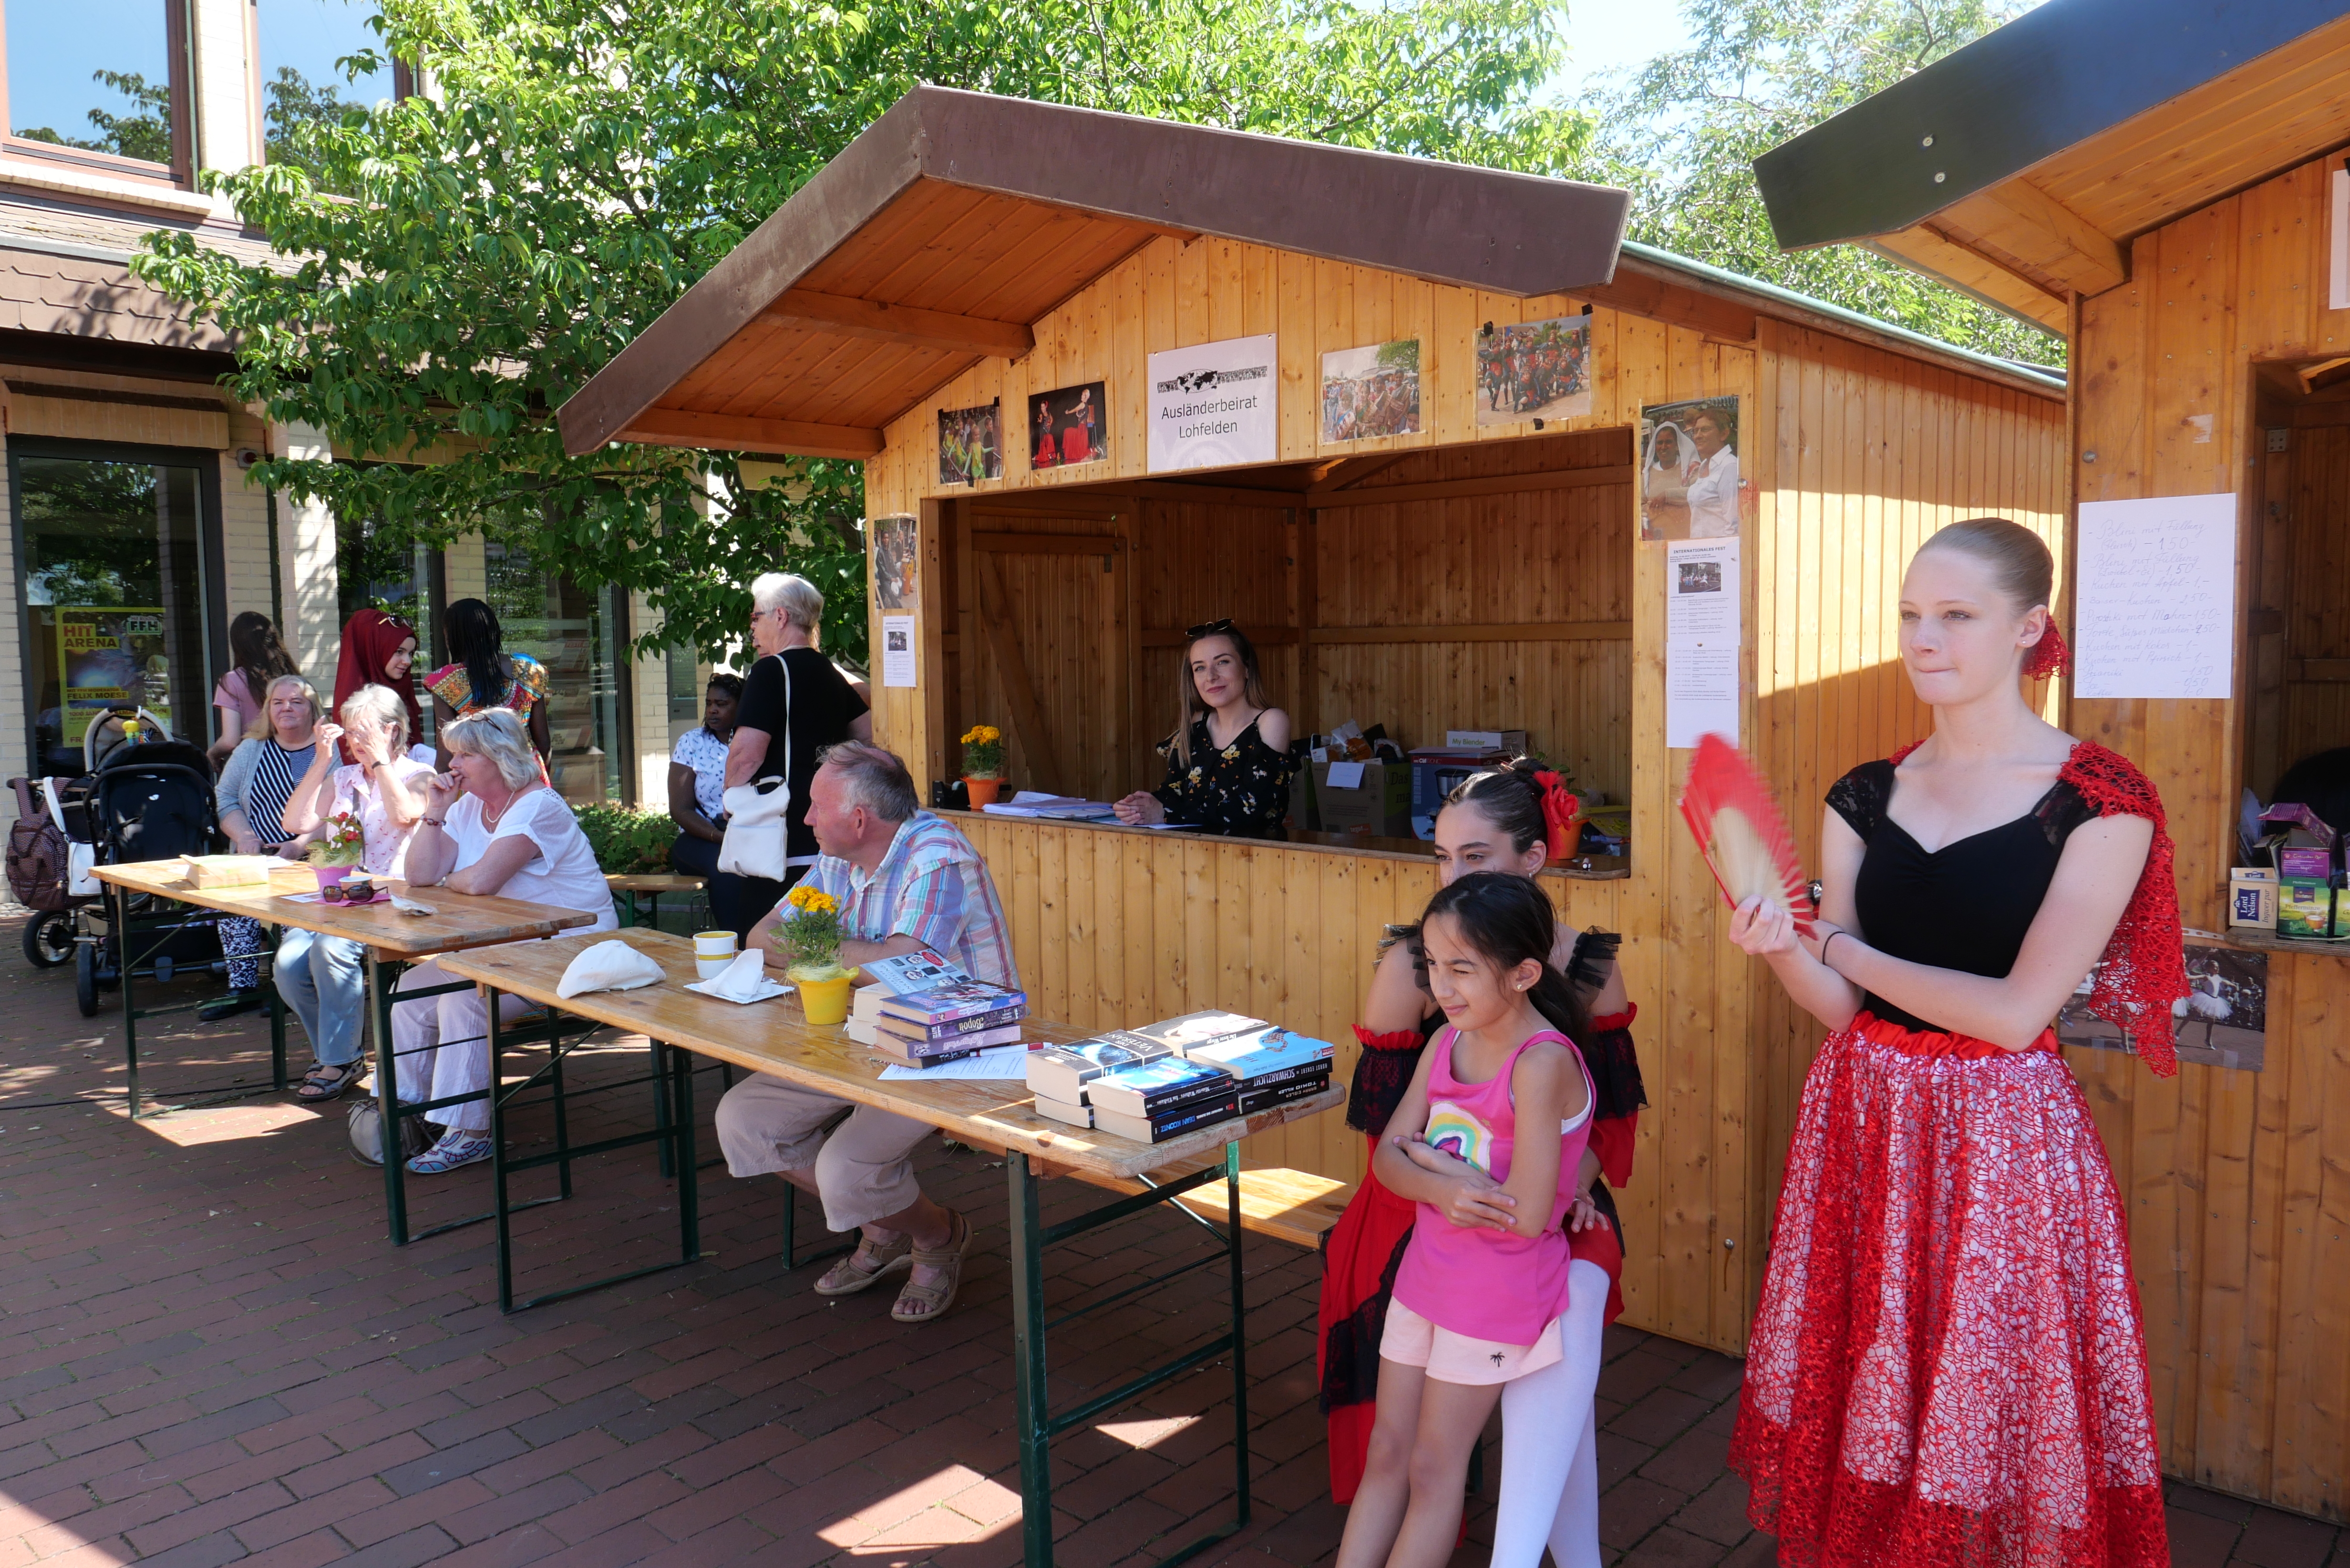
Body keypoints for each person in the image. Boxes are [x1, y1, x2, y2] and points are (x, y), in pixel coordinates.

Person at [1723, 519, 2182, 1566]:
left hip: (2001, 1141)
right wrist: (1783, 945)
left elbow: (2017, 1013)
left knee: (1990, 1405)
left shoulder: (2101, 801)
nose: (1922, 638)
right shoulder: (1864, 792)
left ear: (2028, 628)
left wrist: (1830, 938)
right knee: (1876, 1386)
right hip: (1862, 1120)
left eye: (1955, 615)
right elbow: (1842, 1005)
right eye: (1909, 615)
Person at [1319, 761, 1640, 1568]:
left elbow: (1602, 1129)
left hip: (1509, 1241)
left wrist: (1565, 1186)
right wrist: (1440, 1178)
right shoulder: (1429, 991)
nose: (1451, 876)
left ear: (1532, 858)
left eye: (1474, 856)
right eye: (1441, 857)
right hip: (1425, 1227)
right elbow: (1387, 1144)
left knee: (1447, 1454)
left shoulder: (1570, 999)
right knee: (1396, 1449)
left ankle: (1550, 1535)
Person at [1333, 873, 1594, 1568]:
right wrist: (1445, 1184)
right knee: (1386, 1450)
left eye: (1462, 969)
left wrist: (1428, 1165)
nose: (1441, 987)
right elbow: (1385, 1160)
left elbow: (1527, 1215)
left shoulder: (1540, 1064)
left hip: (1492, 1298)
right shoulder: (1447, 1041)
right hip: (1426, 1277)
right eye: (1432, 964)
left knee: (1432, 1467)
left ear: (1524, 974)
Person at [714, 743, 1015, 1325]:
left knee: (845, 1171)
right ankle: (883, 1224)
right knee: (745, 1122)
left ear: (858, 820)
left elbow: (900, 966)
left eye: (815, 806)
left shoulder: (936, 856)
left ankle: (936, 1235)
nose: (805, 818)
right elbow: (761, 936)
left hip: (955, 1043)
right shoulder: (839, 857)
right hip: (860, 1031)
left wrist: (825, 951)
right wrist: (856, 956)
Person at [390, 707, 618, 1174]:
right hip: (508, 946)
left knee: (466, 1001)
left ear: (500, 758)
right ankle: (407, 1112)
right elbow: (420, 876)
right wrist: (435, 813)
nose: (452, 765)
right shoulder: (468, 806)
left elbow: (481, 882)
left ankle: (470, 1133)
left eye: (465, 755)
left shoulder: (538, 805)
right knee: (409, 992)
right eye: (453, 754)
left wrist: (455, 878)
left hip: (574, 949)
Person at [274, 684, 435, 1101]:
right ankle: (338, 1051)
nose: (355, 741)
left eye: (364, 732)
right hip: (340, 899)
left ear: (393, 730)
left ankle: (339, 1060)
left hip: (394, 899)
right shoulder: (343, 778)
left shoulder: (420, 775)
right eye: (350, 732)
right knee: (288, 964)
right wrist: (321, 759)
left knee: (330, 949)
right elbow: (295, 822)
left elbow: (405, 816)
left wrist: (380, 762)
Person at [720, 573, 871, 942]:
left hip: (778, 843)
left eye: (756, 617)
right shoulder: (832, 673)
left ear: (781, 616)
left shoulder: (771, 670)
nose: (752, 629)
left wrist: (729, 800)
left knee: (761, 945)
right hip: (827, 843)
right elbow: (867, 739)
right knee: (820, 947)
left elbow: (745, 756)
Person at [202, 674, 324, 1021]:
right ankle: (242, 989)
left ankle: (290, 988)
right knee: (234, 908)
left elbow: (339, 811)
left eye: (296, 702)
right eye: (278, 702)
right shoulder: (250, 749)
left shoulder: (325, 753)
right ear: (268, 710)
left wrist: (298, 845)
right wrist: (244, 837)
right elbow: (225, 798)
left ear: (312, 709)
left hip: (306, 861)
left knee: (292, 917)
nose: (286, 708)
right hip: (253, 860)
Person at [1113, 620, 1295, 837]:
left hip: (1255, 853)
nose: (1211, 677)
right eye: (1200, 668)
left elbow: (1248, 809)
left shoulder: (1271, 722)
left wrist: (1165, 812)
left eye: (1223, 662)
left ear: (1247, 669)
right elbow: (1174, 793)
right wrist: (1140, 807)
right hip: (1191, 850)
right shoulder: (1197, 723)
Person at [424, 598, 552, 762]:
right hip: (526, 770)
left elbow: (446, 755)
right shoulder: (529, 670)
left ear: (452, 637)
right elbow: (544, 743)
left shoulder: (445, 682)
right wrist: (540, 776)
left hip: (477, 775)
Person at [668, 671, 742, 920]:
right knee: (726, 868)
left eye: (722, 704)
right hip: (701, 837)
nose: (712, 710)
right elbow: (680, 810)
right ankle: (733, 938)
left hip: (750, 835)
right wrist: (720, 837)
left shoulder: (757, 743)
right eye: (709, 703)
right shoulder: (691, 743)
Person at [333, 608, 426, 763]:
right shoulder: (354, 706)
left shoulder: (403, 691)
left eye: (410, 653)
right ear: (372, 650)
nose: (407, 661)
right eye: (399, 652)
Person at [210, 611, 299, 767]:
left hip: (257, 766)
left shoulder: (232, 681)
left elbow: (230, 741)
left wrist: (212, 754)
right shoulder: (292, 678)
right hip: (298, 760)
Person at [1680, 406, 1742, 538]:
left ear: (1723, 434)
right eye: (1696, 431)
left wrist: (1725, 550)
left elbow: (1733, 523)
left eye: (1705, 430)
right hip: (1701, 548)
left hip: (1719, 549)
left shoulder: (1729, 466)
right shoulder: (1704, 466)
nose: (1698, 436)